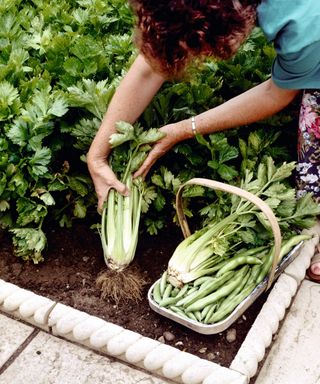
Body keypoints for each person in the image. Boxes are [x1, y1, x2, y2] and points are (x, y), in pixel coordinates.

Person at [87, 0, 320, 281]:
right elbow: (152, 65)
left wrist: (186, 128)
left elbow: (277, 93)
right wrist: (97, 154)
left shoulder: (303, 26)